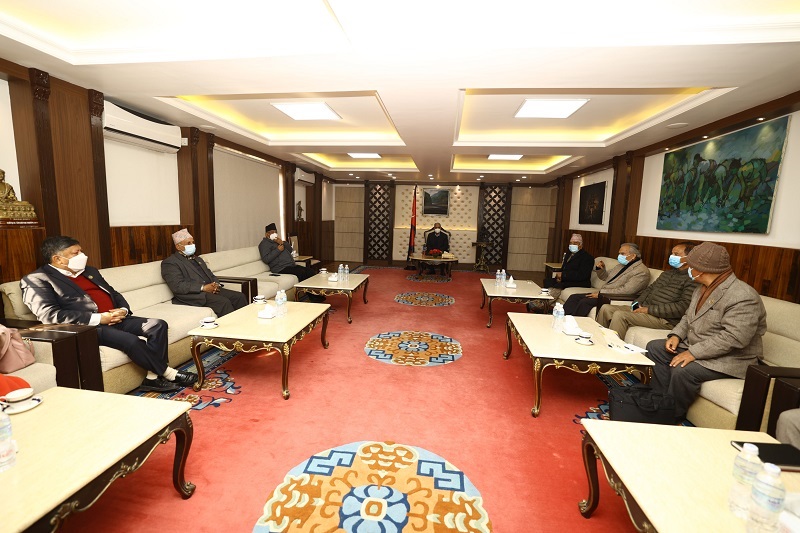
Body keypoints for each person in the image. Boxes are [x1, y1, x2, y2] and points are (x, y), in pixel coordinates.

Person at [21, 235, 196, 393]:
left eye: (81, 251)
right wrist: (100, 318)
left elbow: (114, 293)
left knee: (157, 325)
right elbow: (49, 314)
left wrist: (123, 310)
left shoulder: (89, 271)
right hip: (88, 327)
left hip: (117, 318)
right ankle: (169, 373)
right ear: (57, 259)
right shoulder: (37, 280)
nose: (82, 255)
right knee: (132, 341)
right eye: (76, 253)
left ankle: (152, 378)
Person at [645, 241, 767, 421]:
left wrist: (693, 353)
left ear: (701, 270)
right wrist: (676, 335)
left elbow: (734, 338)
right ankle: (660, 402)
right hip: (700, 346)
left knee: (682, 370)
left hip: (731, 357)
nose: (688, 268)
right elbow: (688, 316)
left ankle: (670, 417)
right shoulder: (701, 288)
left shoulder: (743, 296)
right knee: (655, 348)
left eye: (691, 265)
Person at [596, 242, 697, 339]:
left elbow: (682, 307)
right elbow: (649, 290)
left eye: (676, 254)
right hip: (646, 309)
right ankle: (598, 340)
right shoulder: (666, 274)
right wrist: (636, 305)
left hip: (665, 319)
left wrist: (648, 310)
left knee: (620, 315)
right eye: (672, 253)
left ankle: (612, 347)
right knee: (606, 308)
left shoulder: (693, 279)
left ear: (689, 257)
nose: (672, 256)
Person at [161, 229, 247, 317]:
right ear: (178, 247)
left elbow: (210, 274)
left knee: (239, 297)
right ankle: (231, 326)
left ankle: (246, 323)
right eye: (188, 243)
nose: (192, 245)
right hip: (193, 295)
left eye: (193, 242)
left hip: (210, 290)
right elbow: (177, 286)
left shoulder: (198, 259)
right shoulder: (170, 263)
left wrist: (216, 284)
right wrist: (203, 288)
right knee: (224, 302)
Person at [562, 243, 650, 317]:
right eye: (619, 253)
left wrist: (602, 294)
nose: (619, 256)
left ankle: (575, 324)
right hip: (604, 294)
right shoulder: (621, 265)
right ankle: (562, 320)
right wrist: (601, 269)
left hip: (615, 298)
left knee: (584, 302)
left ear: (633, 256)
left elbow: (626, 291)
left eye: (622, 254)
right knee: (574, 297)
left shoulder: (641, 271)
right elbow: (606, 277)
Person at [258, 223, 323, 302]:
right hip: (280, 268)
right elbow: (266, 259)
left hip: (290, 265)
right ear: (267, 234)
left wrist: (282, 242)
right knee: (302, 273)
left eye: (275, 232)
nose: (274, 234)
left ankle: (318, 294)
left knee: (310, 271)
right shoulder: (264, 244)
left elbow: (290, 250)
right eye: (272, 232)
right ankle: (313, 297)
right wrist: (278, 250)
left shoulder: (277, 241)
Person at [545, 233, 594, 300]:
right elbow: (563, 268)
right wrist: (559, 276)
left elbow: (582, 275)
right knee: (548, 281)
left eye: (575, 243)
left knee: (559, 285)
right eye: (571, 243)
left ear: (580, 245)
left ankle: (546, 302)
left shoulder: (587, 258)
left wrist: (563, 275)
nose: (572, 245)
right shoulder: (568, 254)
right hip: (567, 278)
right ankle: (543, 298)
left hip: (580, 282)